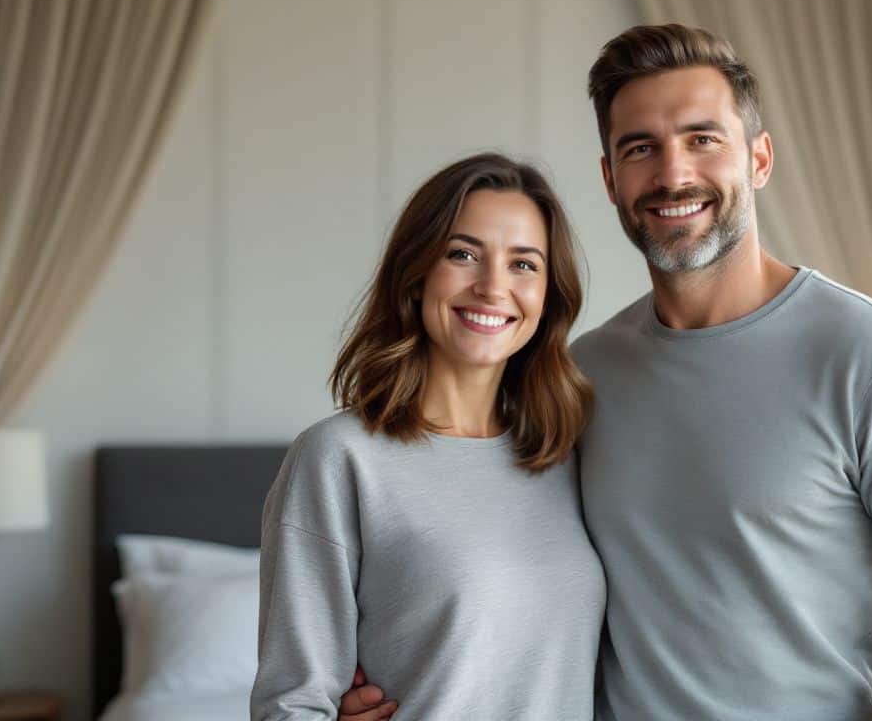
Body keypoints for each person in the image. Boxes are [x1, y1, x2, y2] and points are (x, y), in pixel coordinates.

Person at [340, 25, 872, 720]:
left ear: (759, 159)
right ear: (609, 178)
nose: (672, 174)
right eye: (640, 149)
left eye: (702, 139)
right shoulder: (578, 377)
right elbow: (484, 571)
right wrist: (384, 688)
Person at [249, 153, 606, 720]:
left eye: (523, 264)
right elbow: (291, 702)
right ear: (416, 275)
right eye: (463, 254)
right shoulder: (339, 459)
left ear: (548, 295)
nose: (493, 287)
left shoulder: (569, 454)